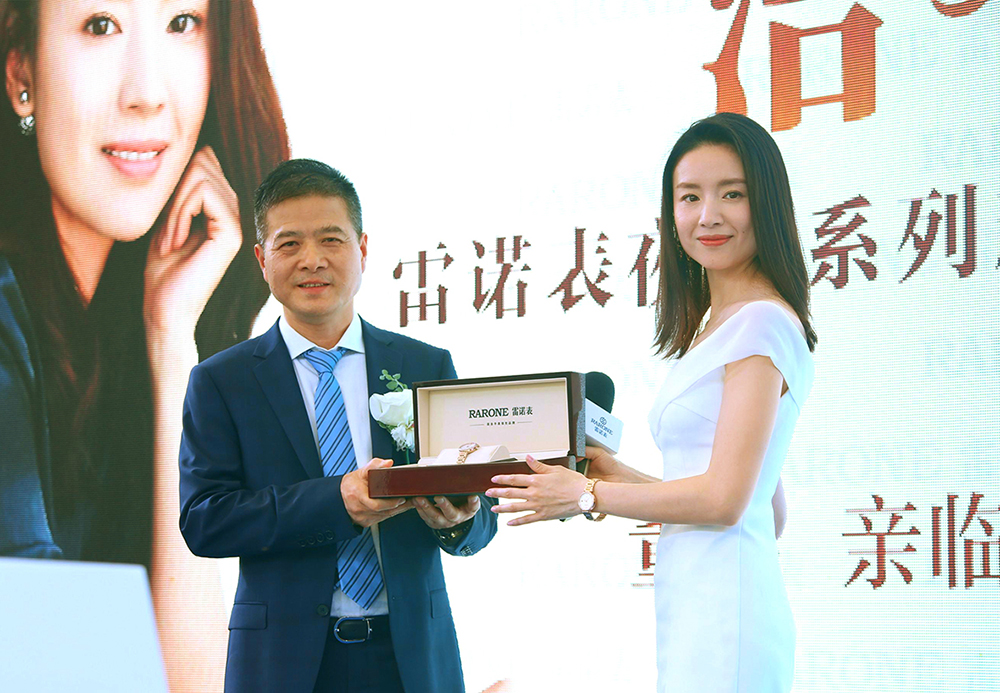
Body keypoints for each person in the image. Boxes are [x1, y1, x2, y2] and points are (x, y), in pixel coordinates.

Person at [0, 1, 288, 689]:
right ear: (21, 75)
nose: (147, 93)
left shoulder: (122, 328)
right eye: (100, 26)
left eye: (182, 22)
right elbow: (72, 677)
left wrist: (171, 337)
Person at [487, 112, 818, 692]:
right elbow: (767, 509)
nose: (707, 215)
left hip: (728, 614)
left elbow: (726, 501)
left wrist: (586, 493)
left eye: (732, 194)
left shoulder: (761, 324)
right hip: (701, 601)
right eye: (689, 197)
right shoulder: (720, 325)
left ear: (766, 203)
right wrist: (620, 476)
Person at [178, 158, 497, 693]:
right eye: (289, 244)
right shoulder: (221, 381)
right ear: (261, 259)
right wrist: (337, 501)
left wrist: (459, 519)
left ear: (363, 249)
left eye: (331, 239)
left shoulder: (424, 365)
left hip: (411, 657)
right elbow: (204, 521)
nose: (313, 260)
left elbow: (479, 517)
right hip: (282, 663)